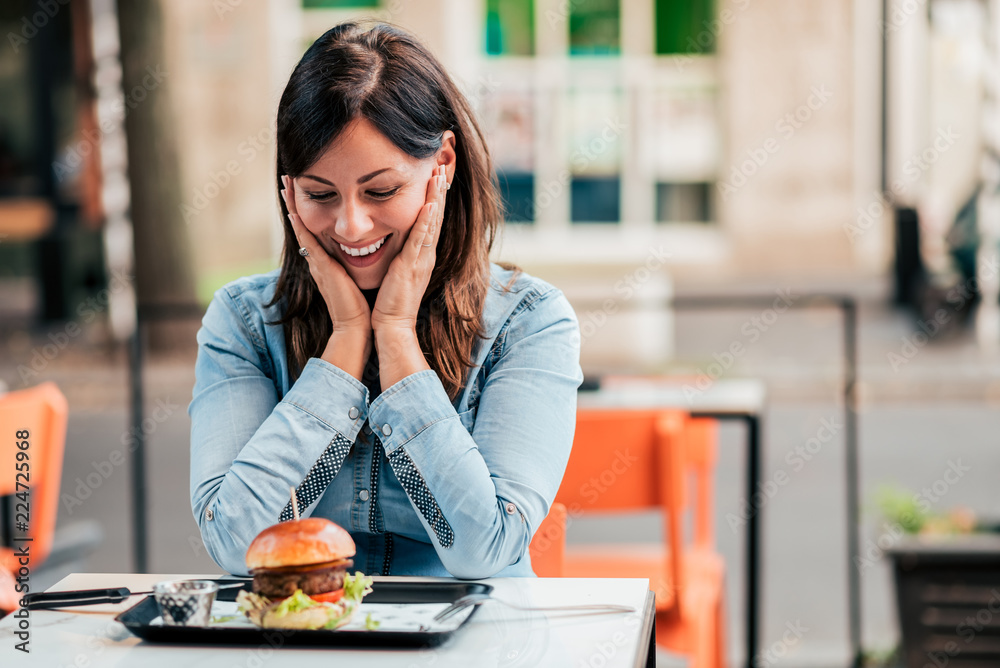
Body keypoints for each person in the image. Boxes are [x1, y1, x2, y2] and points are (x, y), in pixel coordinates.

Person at [189, 21, 582, 579]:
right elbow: (233, 543)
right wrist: (346, 343)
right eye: (319, 194)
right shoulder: (244, 323)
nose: (350, 225)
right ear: (288, 188)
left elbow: (484, 551)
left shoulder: (529, 323)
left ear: (442, 164)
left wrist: (395, 335)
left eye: (381, 191)